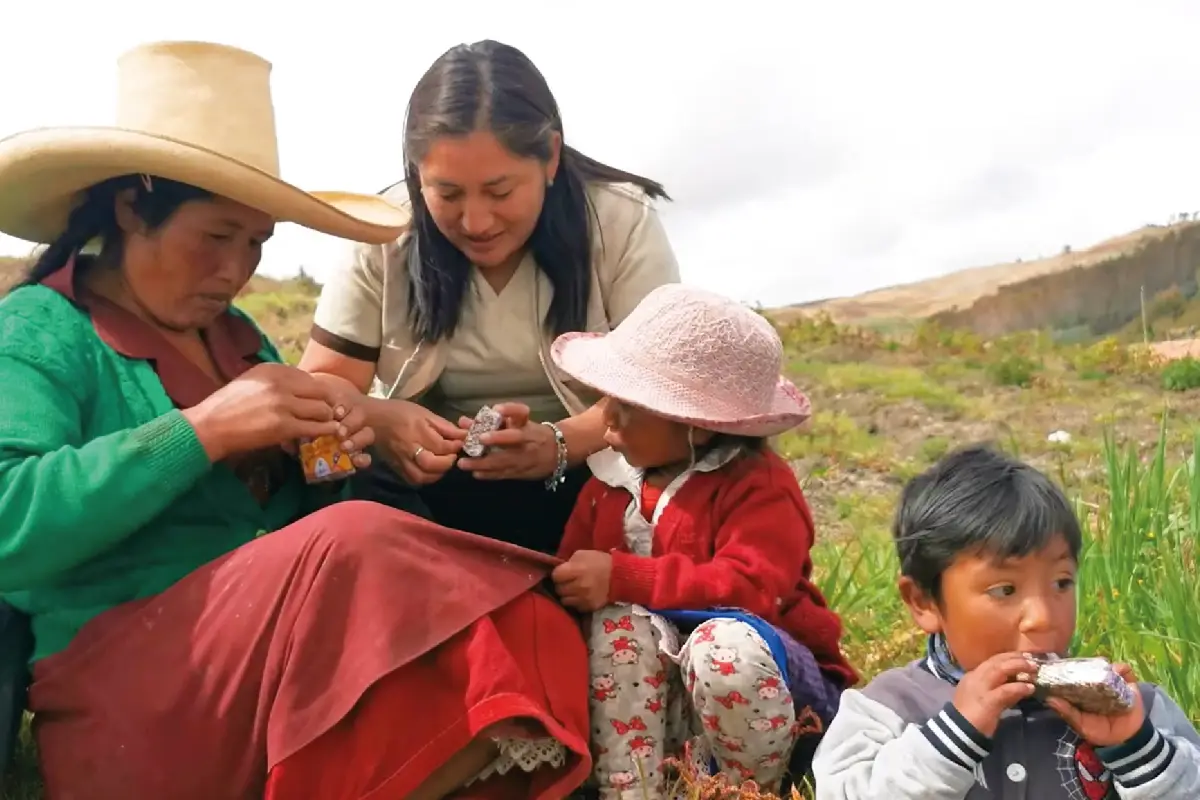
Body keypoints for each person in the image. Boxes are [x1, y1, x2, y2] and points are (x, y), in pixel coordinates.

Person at [0, 40, 591, 800]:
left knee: (528, 618)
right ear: (130, 206)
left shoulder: (240, 339)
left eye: (255, 244)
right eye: (216, 237)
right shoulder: (41, 330)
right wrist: (205, 430)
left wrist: (342, 441)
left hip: (271, 669)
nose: (234, 269)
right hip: (126, 691)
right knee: (359, 547)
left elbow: (303, 512)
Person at [299, 39, 681, 555]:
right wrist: (380, 419)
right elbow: (320, 387)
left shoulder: (620, 222)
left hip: (595, 475)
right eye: (447, 194)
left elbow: (666, 388)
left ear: (549, 156)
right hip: (432, 489)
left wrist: (561, 443)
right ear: (416, 172)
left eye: (500, 192)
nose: (475, 223)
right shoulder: (384, 233)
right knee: (340, 481)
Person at [547, 284, 859, 797]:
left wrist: (623, 576)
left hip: (770, 694)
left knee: (722, 648)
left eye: (631, 405)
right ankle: (635, 789)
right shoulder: (607, 485)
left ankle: (746, 790)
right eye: (612, 399)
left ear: (702, 427)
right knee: (615, 626)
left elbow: (753, 586)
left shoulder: (760, 487)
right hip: (664, 708)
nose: (607, 417)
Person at [812, 445, 1200, 799]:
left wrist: (1136, 747)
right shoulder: (890, 709)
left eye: (1061, 583)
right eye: (1004, 590)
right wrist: (954, 736)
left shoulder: (1138, 711)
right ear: (924, 601)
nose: (1042, 617)